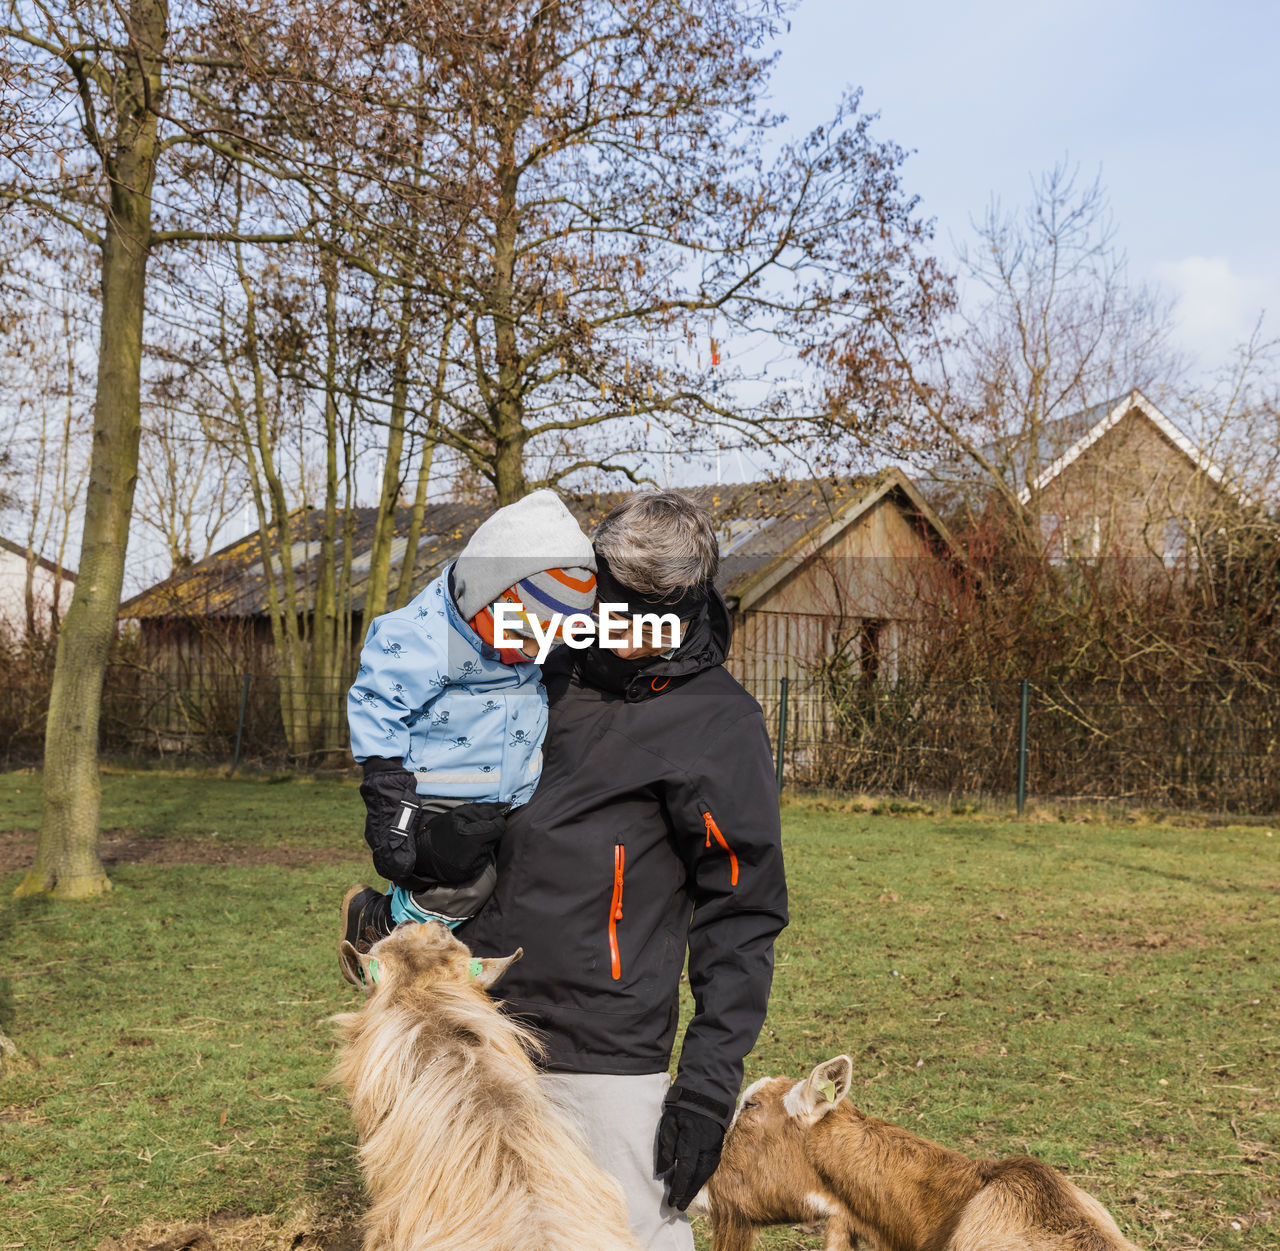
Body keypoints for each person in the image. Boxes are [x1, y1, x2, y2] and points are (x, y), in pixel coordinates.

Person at [458, 490, 789, 1251]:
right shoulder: (539, 665)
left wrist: (706, 1088)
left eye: (653, 612)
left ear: (688, 602)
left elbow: (743, 911)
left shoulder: (719, 722)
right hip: (477, 1022)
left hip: (603, 1052)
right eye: (616, 600)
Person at [340, 489, 597, 956]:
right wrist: (388, 796)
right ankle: (377, 926)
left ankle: (458, 962)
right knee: (463, 885)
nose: (533, 653)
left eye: (549, 640)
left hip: (507, 794)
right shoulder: (421, 637)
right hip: (439, 792)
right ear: (483, 590)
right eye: (521, 634)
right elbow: (377, 703)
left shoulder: (518, 638)